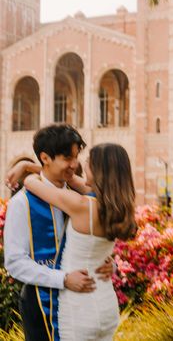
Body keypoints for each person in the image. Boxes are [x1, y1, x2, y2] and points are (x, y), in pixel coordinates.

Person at [4, 124, 114, 341]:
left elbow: (89, 244)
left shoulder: (82, 198)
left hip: (80, 302)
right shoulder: (22, 203)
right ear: (45, 158)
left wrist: (107, 262)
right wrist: (63, 279)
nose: (74, 165)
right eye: (67, 157)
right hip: (41, 301)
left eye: (76, 156)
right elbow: (15, 262)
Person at [23, 142, 137, 341]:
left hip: (79, 307)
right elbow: (76, 182)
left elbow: (32, 184)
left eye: (89, 161)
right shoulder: (119, 207)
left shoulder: (81, 205)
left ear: (100, 170)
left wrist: (27, 171)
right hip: (106, 303)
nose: (82, 163)